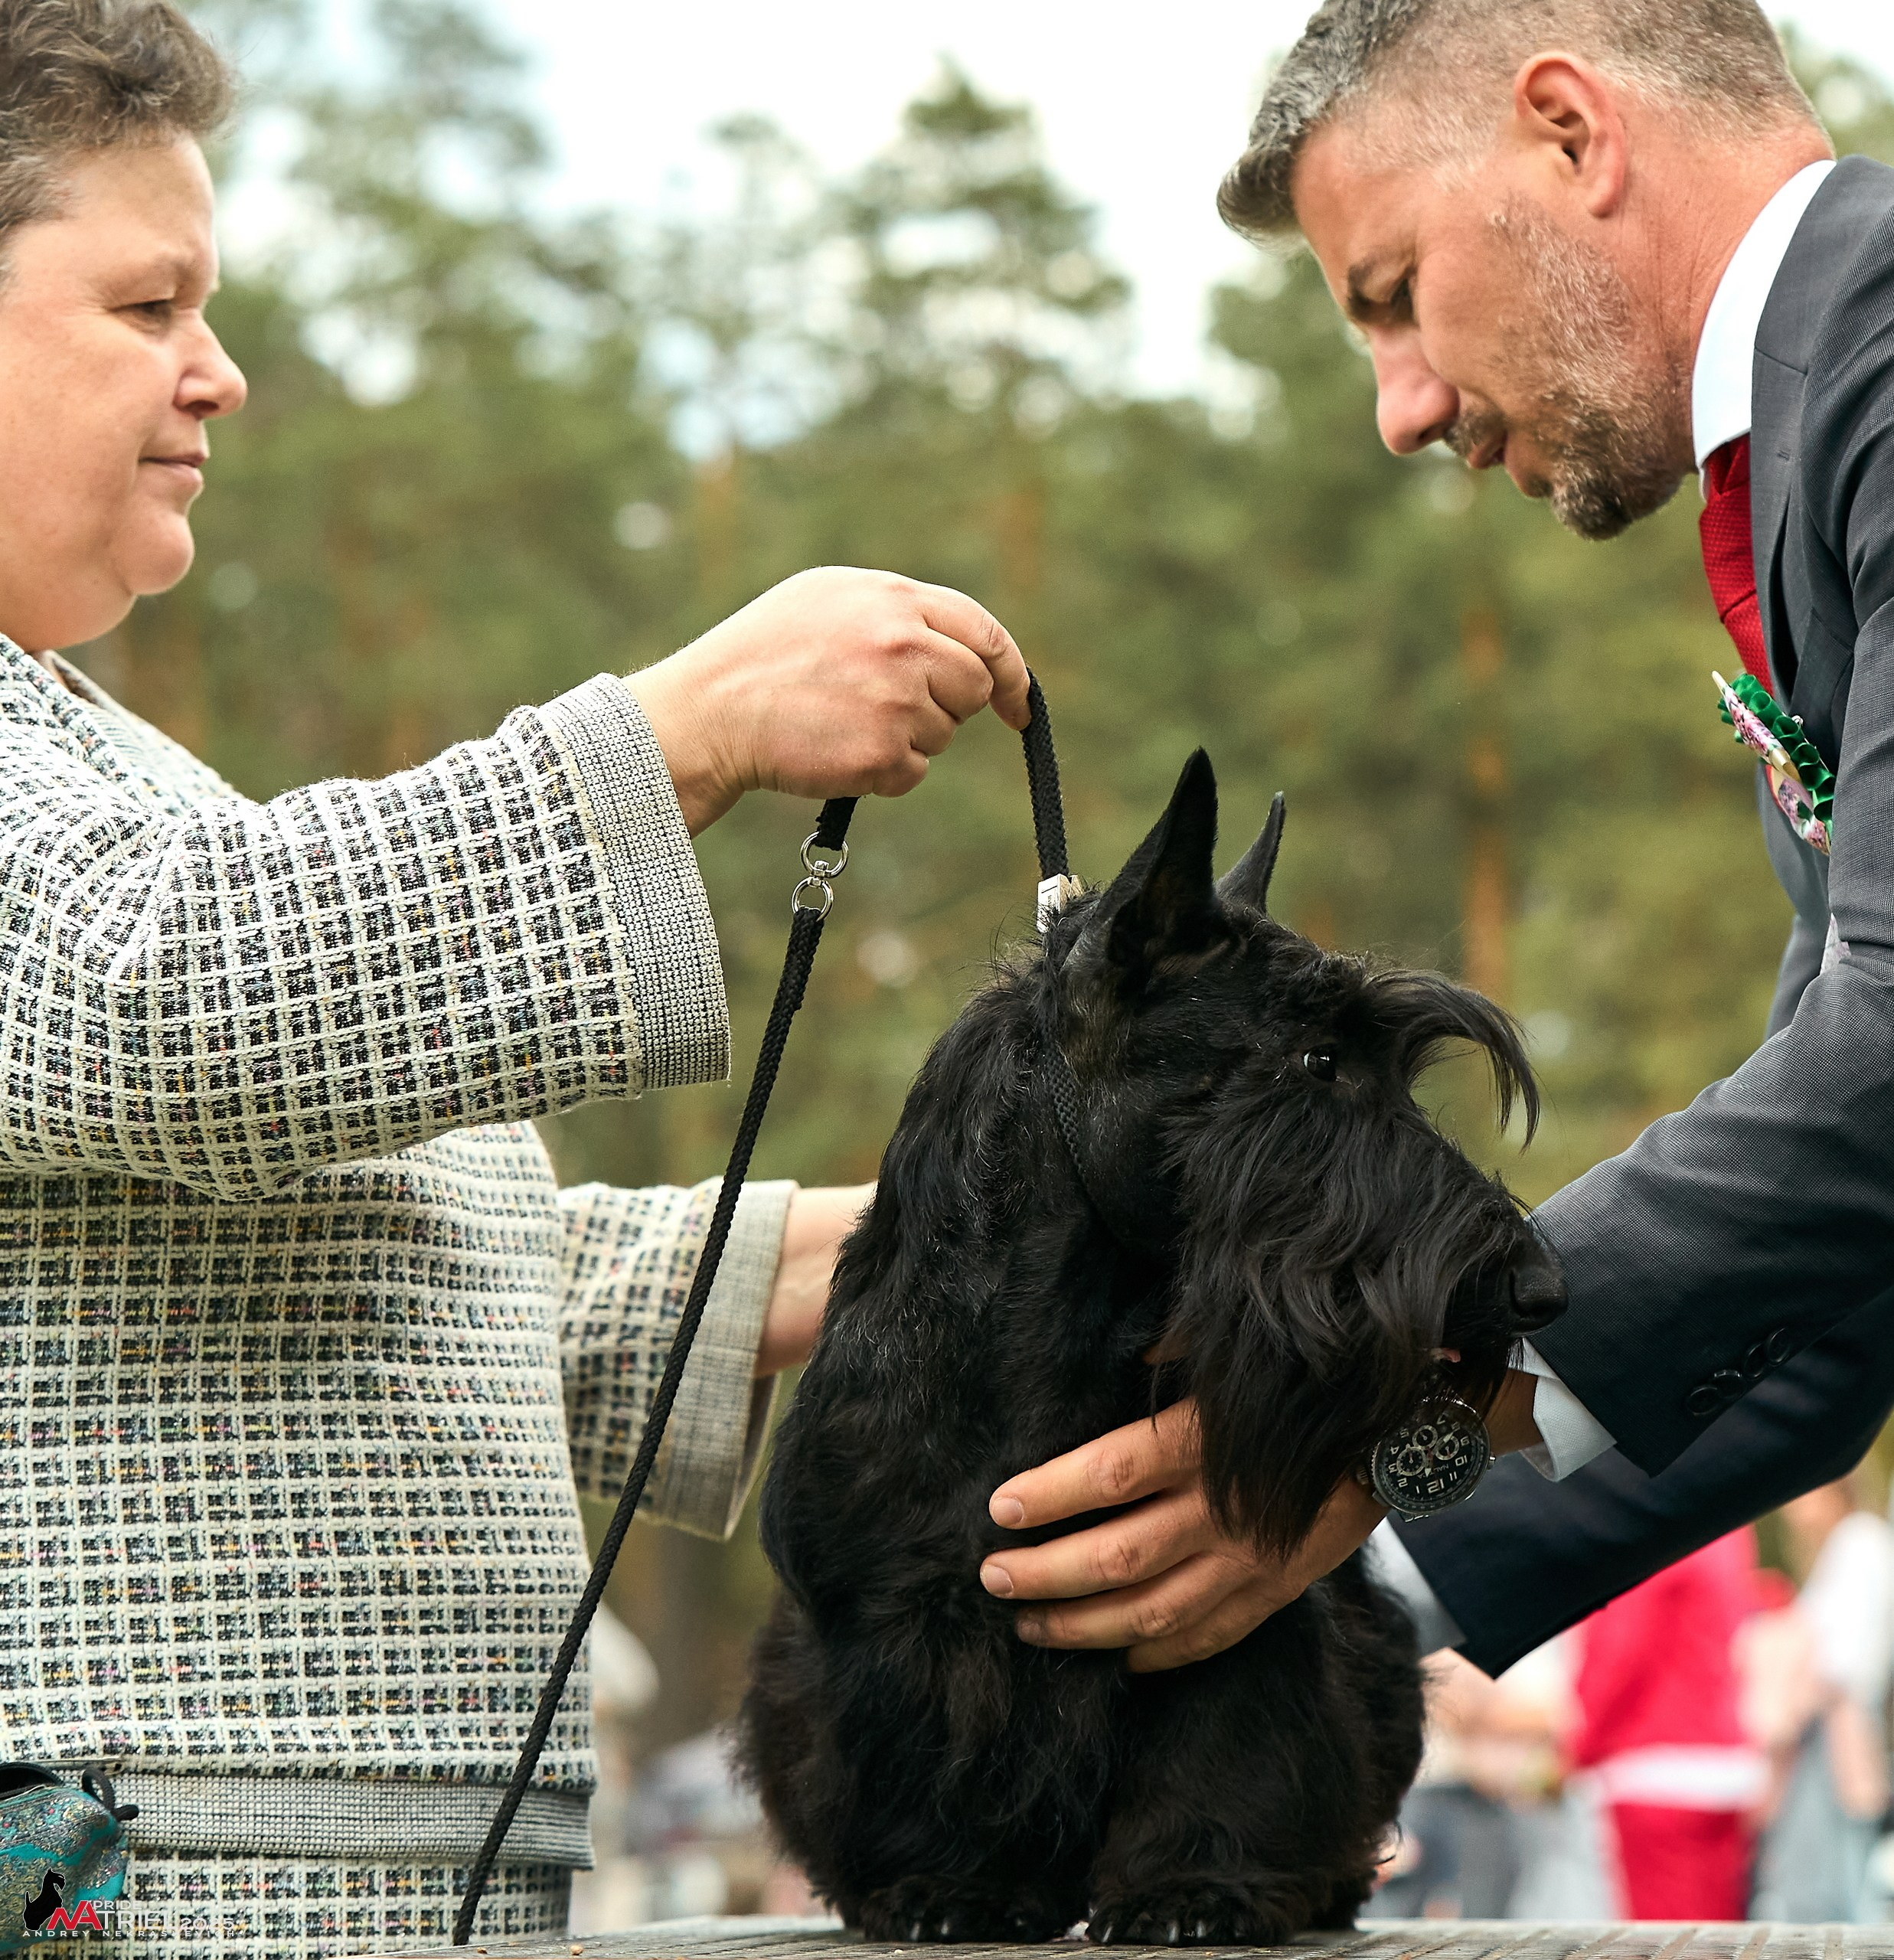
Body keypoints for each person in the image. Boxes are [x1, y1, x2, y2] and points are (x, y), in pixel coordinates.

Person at [0, 4, 1029, 1955]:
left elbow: (414, 1291)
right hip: (118, 1893)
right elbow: (163, 988)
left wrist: (936, 1237)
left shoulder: (94, 750)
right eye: (149, 304)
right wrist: (682, 730)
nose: (217, 374)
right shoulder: (102, 841)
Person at [975, 0, 1894, 1705]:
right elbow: (1831, 1286)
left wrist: (1378, 1417)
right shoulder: (1818, 438)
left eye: (1389, 294)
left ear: (1568, 129)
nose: (1397, 411)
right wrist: (1336, 1575)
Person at [1568, 1531, 1765, 1921]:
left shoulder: (1655, 1529)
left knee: (1666, 1940)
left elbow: (1619, 1654)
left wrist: (1579, 1746)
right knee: (1717, 1937)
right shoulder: (1731, 1524)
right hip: (1722, 1759)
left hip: (1656, 1768)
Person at [1751, 1478, 1894, 1920]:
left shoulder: (1859, 1541)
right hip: (1826, 1730)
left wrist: (1790, 1698)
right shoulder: (1840, 1549)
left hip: (1836, 1734)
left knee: (1837, 1875)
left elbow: (1845, 1660)